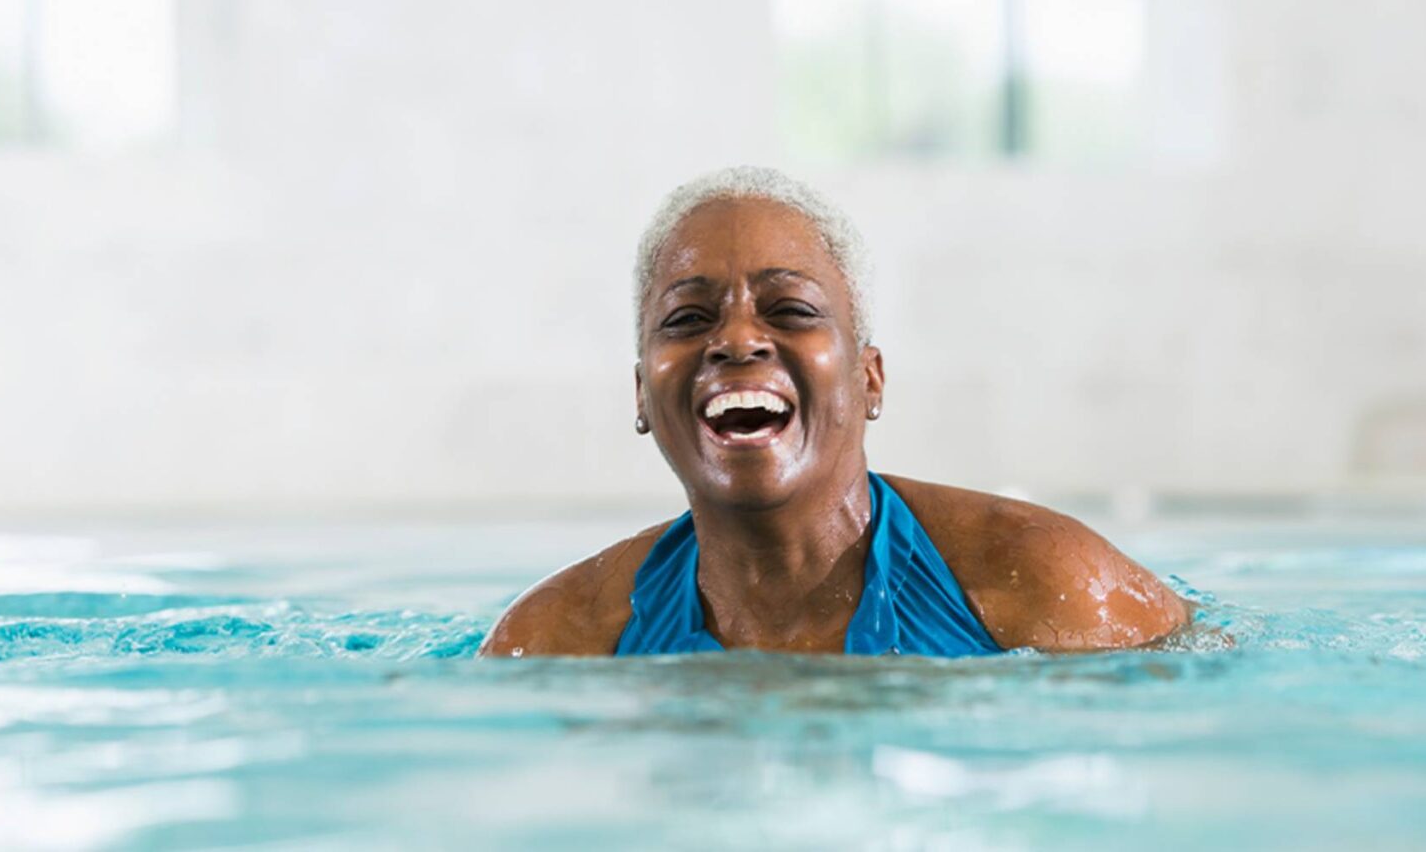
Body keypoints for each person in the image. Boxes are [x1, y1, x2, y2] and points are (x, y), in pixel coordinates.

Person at [480, 166, 1188, 657]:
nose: (734, 340)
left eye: (789, 310)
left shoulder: (1047, 588)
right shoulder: (556, 640)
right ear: (641, 393)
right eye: (688, 318)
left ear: (869, 378)